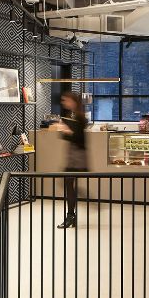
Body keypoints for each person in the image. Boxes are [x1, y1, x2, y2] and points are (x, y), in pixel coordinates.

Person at [51, 91, 87, 229]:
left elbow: (78, 138)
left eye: (65, 100)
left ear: (73, 101)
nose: (63, 103)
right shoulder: (72, 115)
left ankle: (71, 216)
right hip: (73, 156)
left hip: (77, 157)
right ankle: (71, 215)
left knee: (68, 184)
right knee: (68, 184)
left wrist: (66, 130)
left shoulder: (79, 117)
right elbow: (68, 137)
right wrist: (65, 130)